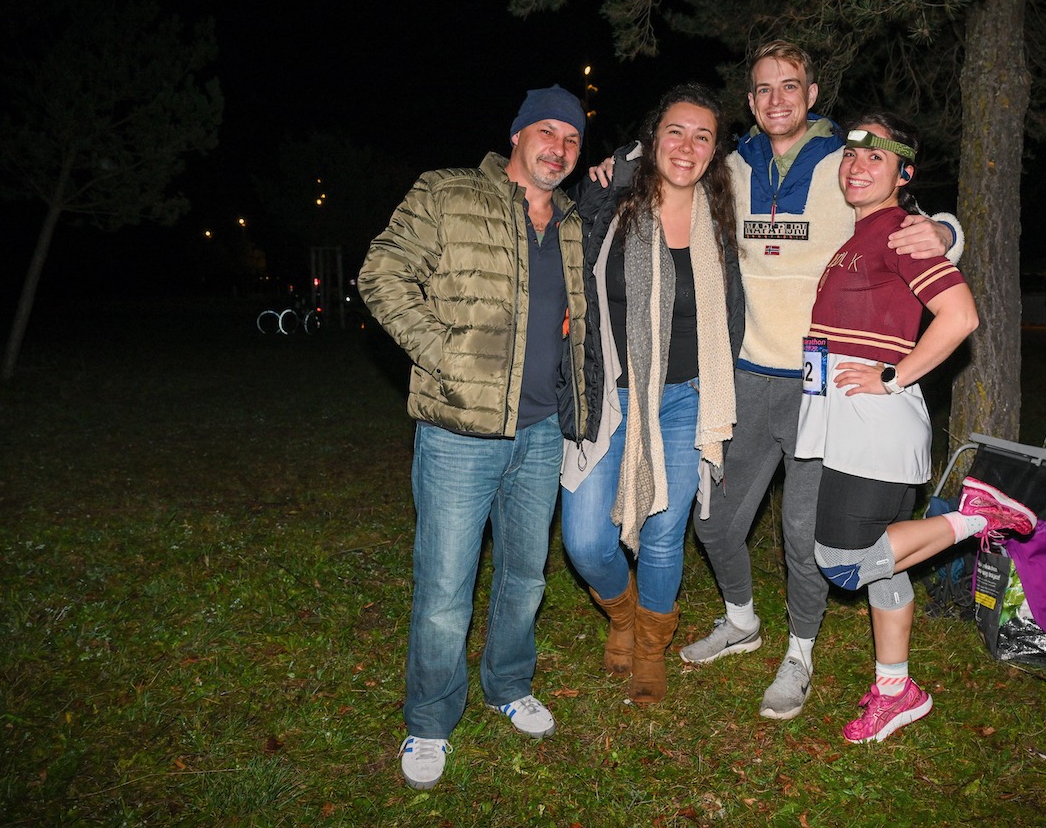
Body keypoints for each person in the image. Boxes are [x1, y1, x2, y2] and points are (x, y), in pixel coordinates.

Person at [677, 41, 964, 722]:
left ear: (811, 95)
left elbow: (911, 220)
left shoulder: (848, 164)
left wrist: (947, 232)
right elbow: (668, 176)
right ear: (750, 102)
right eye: (763, 89)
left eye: (791, 86)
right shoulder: (730, 170)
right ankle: (741, 619)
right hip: (746, 379)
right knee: (713, 521)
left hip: (821, 393)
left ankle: (799, 654)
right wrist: (614, 164)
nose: (777, 99)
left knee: (805, 537)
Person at [358, 85, 593, 790]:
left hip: (543, 428)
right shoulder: (448, 192)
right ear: (517, 135)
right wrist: (445, 352)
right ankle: (429, 722)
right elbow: (381, 273)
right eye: (547, 132)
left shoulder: (576, 222)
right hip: (460, 430)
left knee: (524, 578)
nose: (559, 148)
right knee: (444, 589)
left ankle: (508, 684)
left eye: (573, 139)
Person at [796, 112, 1036, 742]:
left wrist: (894, 377)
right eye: (851, 155)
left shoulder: (901, 232)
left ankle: (979, 516)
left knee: (844, 562)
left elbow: (959, 318)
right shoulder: (861, 233)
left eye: (876, 156)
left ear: (904, 174)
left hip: (875, 423)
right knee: (886, 567)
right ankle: (895, 691)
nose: (857, 165)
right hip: (844, 421)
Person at [561, 84, 744, 705]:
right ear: (651, 138)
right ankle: (622, 612)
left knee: (665, 533)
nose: (687, 145)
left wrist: (937, 230)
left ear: (715, 152)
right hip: (612, 392)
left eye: (703, 136)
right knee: (585, 541)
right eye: (675, 131)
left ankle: (649, 645)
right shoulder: (610, 200)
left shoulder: (726, 217)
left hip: (691, 396)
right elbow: (561, 248)